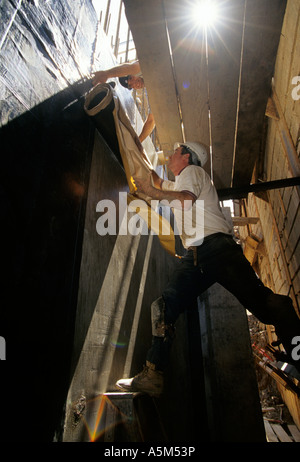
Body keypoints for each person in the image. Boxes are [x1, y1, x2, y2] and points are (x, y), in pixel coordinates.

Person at [115, 141, 300, 396]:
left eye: (176, 152)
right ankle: (152, 374)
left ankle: (154, 373)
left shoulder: (192, 174)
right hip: (207, 254)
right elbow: (157, 181)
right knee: (168, 306)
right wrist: (135, 149)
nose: (171, 155)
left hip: (210, 250)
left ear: (187, 157)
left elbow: (184, 200)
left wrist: (151, 191)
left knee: (168, 306)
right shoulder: (181, 181)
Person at [92, 60, 155, 143]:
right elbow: (151, 121)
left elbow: (133, 67)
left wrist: (107, 74)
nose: (134, 84)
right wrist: (138, 141)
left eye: (131, 78)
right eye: (131, 86)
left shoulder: (147, 68)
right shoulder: (152, 92)